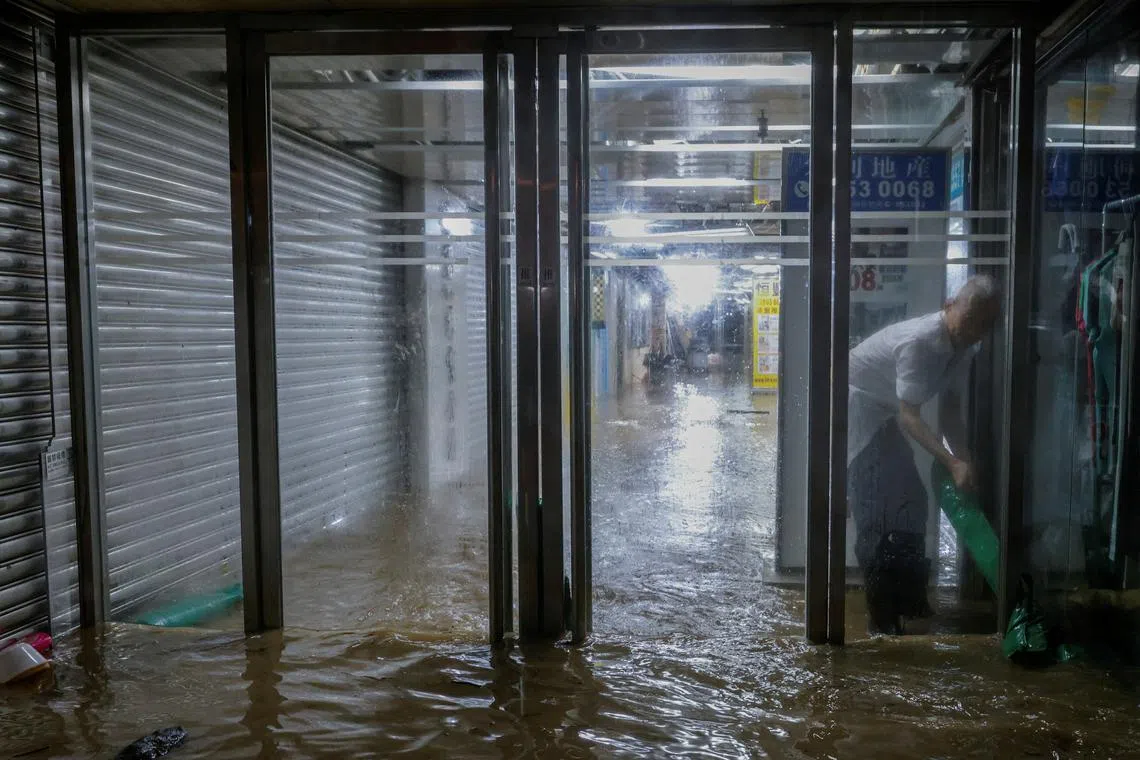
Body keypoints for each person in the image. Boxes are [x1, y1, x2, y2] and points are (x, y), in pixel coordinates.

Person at [847, 275, 1001, 634]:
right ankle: (882, 619)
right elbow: (910, 417)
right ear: (950, 306)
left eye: (985, 325)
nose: (975, 331)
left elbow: (949, 413)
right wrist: (952, 462)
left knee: (913, 501)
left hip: (882, 413)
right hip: (854, 410)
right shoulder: (918, 342)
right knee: (877, 512)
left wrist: (964, 458)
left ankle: (911, 600)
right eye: (970, 320)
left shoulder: (965, 347)